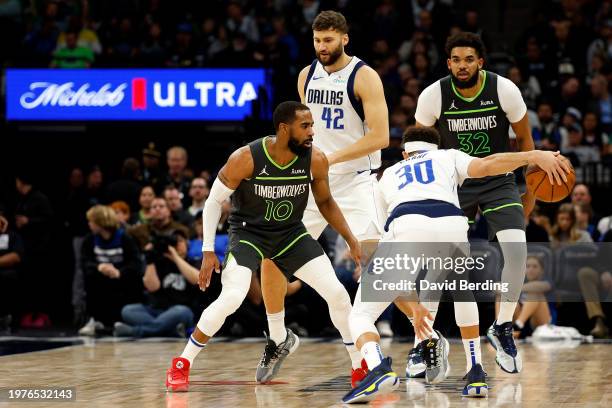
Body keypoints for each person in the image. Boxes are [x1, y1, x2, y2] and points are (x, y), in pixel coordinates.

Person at [343, 126, 570, 403]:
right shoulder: (448, 156)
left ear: (405, 153)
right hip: (451, 223)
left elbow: (378, 244)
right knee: (460, 289)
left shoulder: (387, 175)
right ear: (434, 149)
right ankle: (475, 371)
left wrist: (411, 308)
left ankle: (379, 366)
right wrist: (533, 155)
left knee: (361, 314)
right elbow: (489, 165)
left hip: (406, 225)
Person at [165, 101, 362, 392]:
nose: (312, 132)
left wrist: (351, 239)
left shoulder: (315, 159)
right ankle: (181, 364)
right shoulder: (246, 158)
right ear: (284, 129)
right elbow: (212, 202)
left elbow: (325, 203)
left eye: (312, 126)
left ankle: (359, 367)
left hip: (290, 234)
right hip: (249, 234)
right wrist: (208, 250)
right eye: (305, 126)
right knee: (232, 297)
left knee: (337, 294)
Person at [414, 32, 537, 374]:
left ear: (480, 62)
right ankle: (421, 342)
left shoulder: (503, 89)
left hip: (499, 181)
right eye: (456, 59)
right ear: (448, 62)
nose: (462, 65)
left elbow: (526, 141)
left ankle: (502, 326)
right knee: (439, 262)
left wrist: (531, 190)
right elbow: (417, 148)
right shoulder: (433, 95)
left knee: (517, 252)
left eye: (469, 59)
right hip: (455, 182)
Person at [296, 10, 392, 386]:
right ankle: (276, 334)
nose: (322, 47)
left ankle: (418, 333)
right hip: (315, 182)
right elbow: (306, 130)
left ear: (344, 39)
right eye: (318, 40)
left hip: (355, 180)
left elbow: (381, 137)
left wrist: (331, 158)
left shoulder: (364, 76)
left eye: (329, 40)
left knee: (375, 259)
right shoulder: (306, 76)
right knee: (278, 252)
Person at [78, 205, 143, 336]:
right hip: (100, 277)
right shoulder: (90, 240)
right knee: (91, 279)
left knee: (128, 281)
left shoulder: (124, 238)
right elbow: (85, 262)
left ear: (100, 222)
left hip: (121, 278)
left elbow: (136, 263)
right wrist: (99, 267)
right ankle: (94, 319)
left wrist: (119, 272)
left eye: (91, 221)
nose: (89, 224)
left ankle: (121, 321)